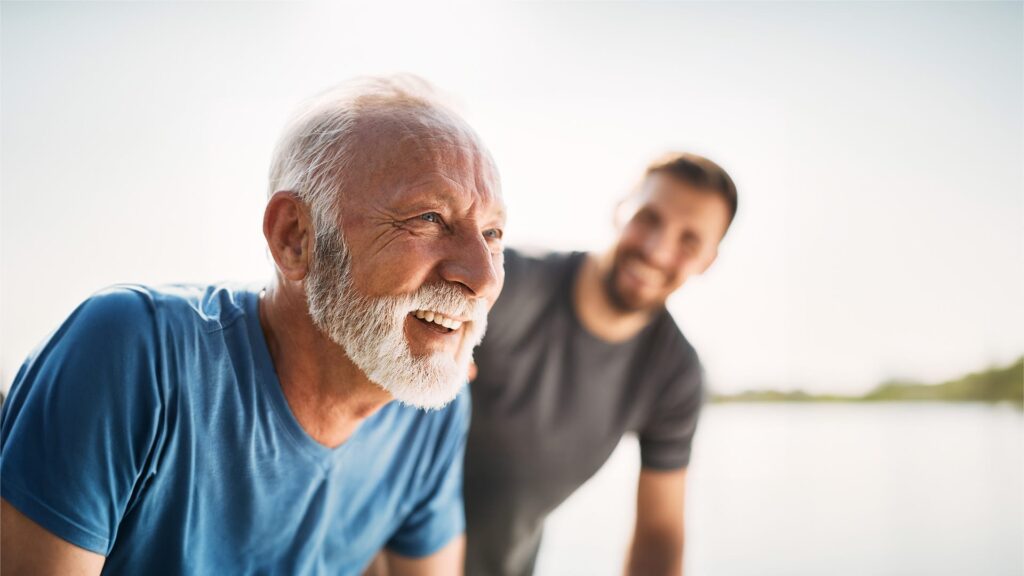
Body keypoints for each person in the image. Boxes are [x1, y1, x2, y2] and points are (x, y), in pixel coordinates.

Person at [0, 75, 506, 575]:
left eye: (492, 233)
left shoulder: (430, 408)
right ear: (295, 237)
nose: (482, 276)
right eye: (429, 218)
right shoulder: (130, 350)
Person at [464, 153, 737, 576]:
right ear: (619, 211)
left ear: (708, 262)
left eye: (689, 241)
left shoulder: (675, 374)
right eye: (649, 218)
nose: (657, 249)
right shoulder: (504, 282)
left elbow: (659, 536)